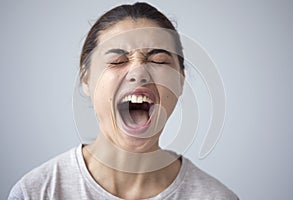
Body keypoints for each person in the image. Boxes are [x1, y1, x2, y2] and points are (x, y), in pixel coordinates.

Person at [8, 2, 238, 200]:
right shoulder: (36, 191)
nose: (139, 73)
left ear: (180, 81)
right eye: (117, 60)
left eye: (158, 60)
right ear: (86, 79)